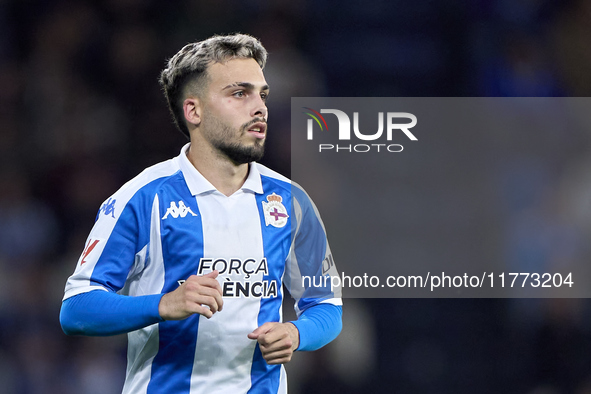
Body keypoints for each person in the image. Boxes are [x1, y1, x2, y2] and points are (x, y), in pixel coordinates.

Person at [59, 33, 342, 394]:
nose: (259, 108)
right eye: (240, 93)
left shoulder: (292, 202)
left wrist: (295, 332)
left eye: (262, 94)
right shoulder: (144, 198)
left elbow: (327, 307)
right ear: (194, 110)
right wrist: (163, 304)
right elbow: (77, 309)